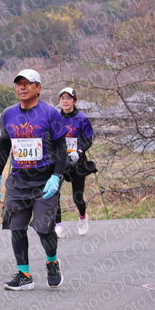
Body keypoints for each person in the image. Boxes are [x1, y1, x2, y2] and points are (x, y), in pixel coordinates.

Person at [0, 69, 68, 290]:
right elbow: (4, 146)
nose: (22, 87)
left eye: (27, 83)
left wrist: (56, 176)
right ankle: (24, 275)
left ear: (38, 88)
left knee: (44, 228)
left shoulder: (50, 113)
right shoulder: (8, 114)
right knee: (16, 227)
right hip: (18, 180)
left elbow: (61, 148)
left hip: (45, 180)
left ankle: (52, 261)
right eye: (19, 84)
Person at [54, 87, 95, 238]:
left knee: (77, 197)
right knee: (54, 194)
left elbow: (88, 139)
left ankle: (83, 217)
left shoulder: (82, 118)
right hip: (60, 160)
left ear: (74, 100)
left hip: (77, 161)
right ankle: (58, 226)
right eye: (62, 98)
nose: (65, 101)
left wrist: (79, 151)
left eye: (68, 98)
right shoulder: (55, 118)